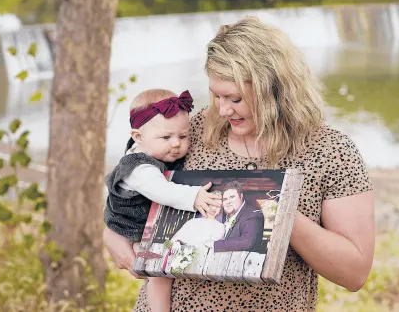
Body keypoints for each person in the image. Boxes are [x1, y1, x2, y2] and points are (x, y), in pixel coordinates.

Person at [103, 16, 375, 312]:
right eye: (216, 96)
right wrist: (112, 236)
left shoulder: (332, 152)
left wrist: (278, 212)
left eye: (234, 98)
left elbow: (354, 273)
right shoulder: (190, 133)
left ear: (274, 89)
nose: (221, 109)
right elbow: (130, 186)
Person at [103, 88, 221, 312]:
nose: (176, 144)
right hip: (131, 228)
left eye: (183, 136)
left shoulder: (154, 150)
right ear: (138, 137)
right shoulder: (139, 168)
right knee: (158, 270)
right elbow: (161, 191)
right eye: (166, 137)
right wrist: (193, 196)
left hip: (147, 223)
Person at [205, 181, 264, 253]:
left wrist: (214, 244)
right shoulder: (222, 216)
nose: (228, 202)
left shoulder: (253, 214)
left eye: (232, 197)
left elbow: (247, 242)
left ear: (241, 196)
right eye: (225, 199)